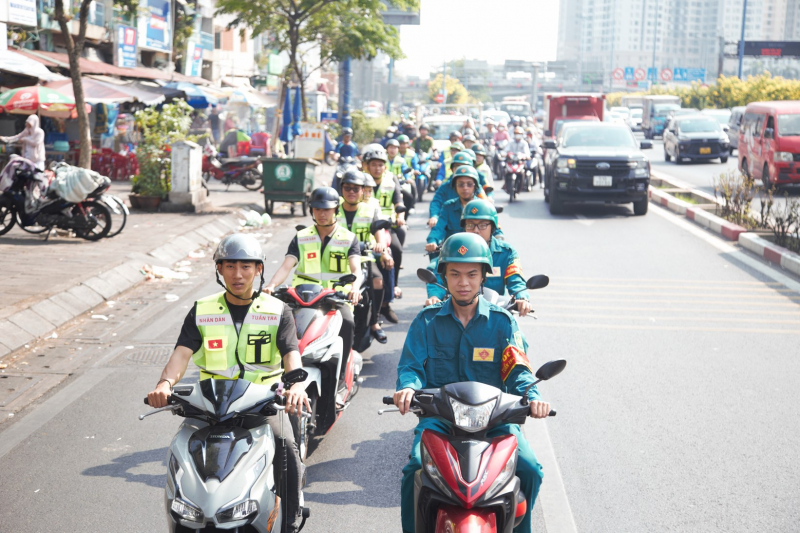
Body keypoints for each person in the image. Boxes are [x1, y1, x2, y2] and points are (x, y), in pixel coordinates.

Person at [146, 233, 310, 533]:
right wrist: (165, 383)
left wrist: (296, 385)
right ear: (219, 270)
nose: (238, 274)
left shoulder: (277, 311)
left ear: (259, 269)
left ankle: (288, 521)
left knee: (286, 447)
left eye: (246, 266)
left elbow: (291, 353)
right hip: (210, 406)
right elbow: (181, 354)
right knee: (181, 454)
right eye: (230, 266)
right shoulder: (203, 309)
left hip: (262, 404)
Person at [394, 232, 550, 533]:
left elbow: (519, 369)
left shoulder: (503, 322)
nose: (463, 282)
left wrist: (533, 396)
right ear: (444, 276)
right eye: (455, 273)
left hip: (495, 419)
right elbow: (411, 366)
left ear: (483, 278)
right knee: (414, 469)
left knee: (530, 469)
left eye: (471, 274)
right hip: (440, 420)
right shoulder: (426, 321)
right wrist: (408, 388)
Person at [264, 187, 363, 397]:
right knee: (277, 325)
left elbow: (356, 269)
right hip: (301, 298)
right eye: (317, 209)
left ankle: (342, 375)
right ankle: (275, 373)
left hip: (334, 298)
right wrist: (271, 285)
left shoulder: (348, 238)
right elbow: (286, 266)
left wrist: (354, 287)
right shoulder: (301, 237)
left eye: (327, 209)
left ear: (336, 209)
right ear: (312, 210)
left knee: (348, 322)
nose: (322, 213)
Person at [424, 199, 531, 316]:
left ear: (493, 227)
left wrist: (522, 298)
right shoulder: (452, 249)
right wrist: (434, 297)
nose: (475, 230)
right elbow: (439, 278)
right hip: (457, 313)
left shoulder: (507, 253)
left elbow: (516, 280)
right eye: (470, 225)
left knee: (516, 334)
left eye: (482, 225)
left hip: (495, 313)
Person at [337, 169, 391, 343]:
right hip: (336, 257)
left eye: (356, 189)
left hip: (363, 257)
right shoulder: (332, 207)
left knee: (377, 280)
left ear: (362, 191)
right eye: (347, 188)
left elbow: (378, 231)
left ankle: (374, 322)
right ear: (341, 189)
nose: (351, 192)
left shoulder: (370, 209)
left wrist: (380, 245)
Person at [363, 147, 405, 323]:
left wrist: (400, 216)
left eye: (380, 165)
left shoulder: (391, 179)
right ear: (366, 166)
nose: (377, 168)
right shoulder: (359, 181)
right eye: (373, 165)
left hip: (386, 226)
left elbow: (398, 200)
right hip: (364, 227)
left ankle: (389, 294)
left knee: (395, 249)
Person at [425, 165, 486, 249]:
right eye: (460, 184)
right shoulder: (448, 206)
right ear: (455, 187)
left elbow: (494, 230)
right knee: (433, 263)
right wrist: (432, 241)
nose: (465, 188)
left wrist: (498, 236)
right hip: (453, 253)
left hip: (479, 252)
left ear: (475, 186)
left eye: (469, 184)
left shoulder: (483, 206)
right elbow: (439, 228)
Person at [429, 150, 487, 228]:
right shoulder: (445, 187)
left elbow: (486, 204)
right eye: (457, 166)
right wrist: (434, 216)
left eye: (464, 166)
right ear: (452, 169)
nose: (465, 188)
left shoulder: (476, 186)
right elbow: (436, 202)